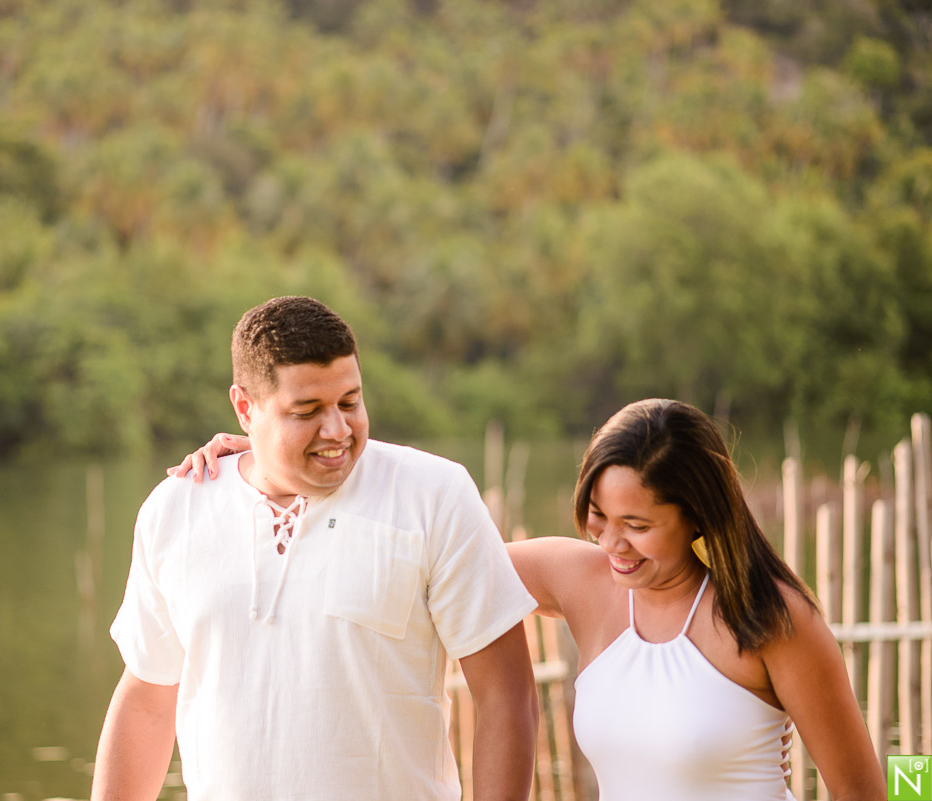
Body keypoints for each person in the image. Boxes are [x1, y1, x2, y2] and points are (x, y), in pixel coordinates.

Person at [176, 398, 885, 801]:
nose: (614, 545)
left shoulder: (771, 617)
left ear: (700, 513)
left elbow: (862, 791)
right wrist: (281, 452)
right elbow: (417, 549)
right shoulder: (584, 583)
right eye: (598, 518)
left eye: (638, 525)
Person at [92, 296, 538, 801]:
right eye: (306, 411)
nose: (338, 430)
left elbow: (507, 697)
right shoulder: (175, 509)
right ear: (245, 408)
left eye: (350, 402)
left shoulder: (433, 494)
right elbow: (149, 699)